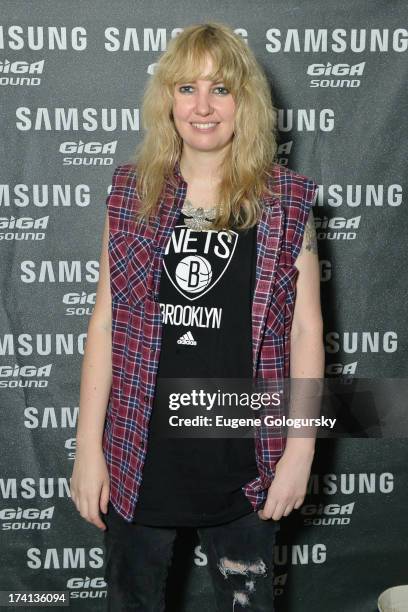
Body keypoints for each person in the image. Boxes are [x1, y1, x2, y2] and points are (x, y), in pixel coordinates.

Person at [70, 21, 324, 612]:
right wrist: (88, 449)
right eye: (186, 88)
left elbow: (307, 329)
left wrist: (300, 451)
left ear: (246, 102)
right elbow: (105, 321)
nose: (202, 106)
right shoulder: (131, 191)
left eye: (221, 88)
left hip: (248, 463)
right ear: (167, 101)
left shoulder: (287, 201)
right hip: (139, 455)